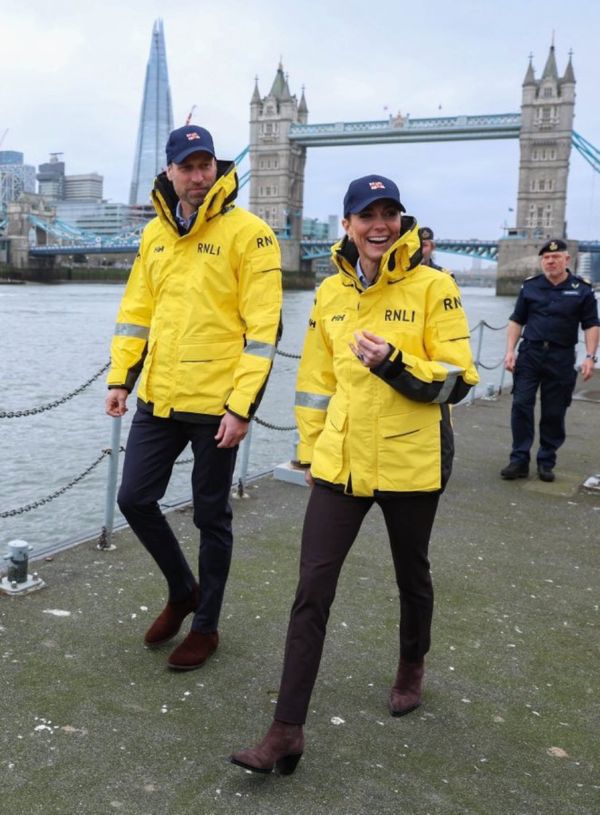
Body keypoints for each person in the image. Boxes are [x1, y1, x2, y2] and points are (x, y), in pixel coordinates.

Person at [230, 174, 479, 774]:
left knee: (411, 575)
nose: (379, 224)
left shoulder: (435, 286)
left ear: (401, 224)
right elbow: (315, 381)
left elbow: (459, 379)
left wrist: (394, 363)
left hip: (411, 460)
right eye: (366, 214)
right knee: (311, 592)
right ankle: (286, 729)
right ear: (345, 225)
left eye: (390, 213)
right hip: (339, 463)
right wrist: (311, 453)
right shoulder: (328, 295)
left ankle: (411, 664)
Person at [105, 125, 282, 671]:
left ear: (218, 168)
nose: (199, 176)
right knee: (133, 498)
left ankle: (206, 626)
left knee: (211, 515)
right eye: (188, 166)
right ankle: (184, 590)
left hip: (217, 404)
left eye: (207, 165)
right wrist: (120, 378)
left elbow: (263, 331)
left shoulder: (251, 234)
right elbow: (137, 313)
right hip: (159, 394)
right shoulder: (154, 235)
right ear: (170, 173)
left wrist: (241, 406)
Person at [500, 238, 599, 482]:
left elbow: (591, 325)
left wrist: (589, 357)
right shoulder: (530, 287)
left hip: (561, 356)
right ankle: (519, 459)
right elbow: (516, 320)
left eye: (556, 257)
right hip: (531, 353)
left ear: (567, 259)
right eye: (546, 257)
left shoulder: (582, 289)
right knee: (521, 405)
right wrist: (510, 351)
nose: (550, 261)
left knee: (554, 411)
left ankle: (546, 460)